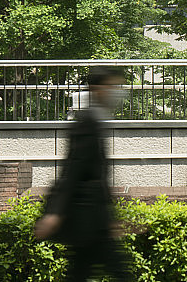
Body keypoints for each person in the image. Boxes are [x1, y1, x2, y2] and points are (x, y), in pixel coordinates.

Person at [34, 66, 132, 282]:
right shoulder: (87, 122)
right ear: (97, 88)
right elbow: (73, 169)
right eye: (113, 86)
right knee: (120, 273)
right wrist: (54, 212)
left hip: (94, 219)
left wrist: (110, 216)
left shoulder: (95, 120)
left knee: (80, 273)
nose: (117, 92)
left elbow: (96, 174)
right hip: (88, 218)